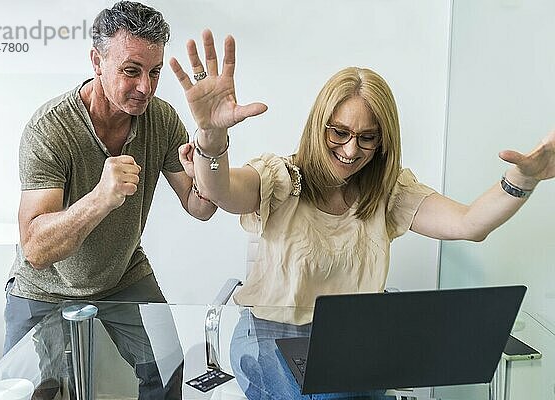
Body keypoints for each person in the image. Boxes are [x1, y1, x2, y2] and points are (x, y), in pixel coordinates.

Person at [170, 30, 555, 399]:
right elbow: (221, 191)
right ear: (318, 126)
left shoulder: (388, 193)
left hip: (350, 345)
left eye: (367, 138)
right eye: (338, 133)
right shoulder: (282, 178)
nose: (351, 151)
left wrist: (522, 178)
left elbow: (470, 224)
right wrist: (211, 137)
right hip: (270, 335)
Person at [4, 2, 216, 398]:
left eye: (153, 73)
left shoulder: (162, 119)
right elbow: (34, 248)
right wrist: (101, 197)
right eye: (131, 71)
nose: (146, 88)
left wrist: (212, 139)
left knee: (168, 366)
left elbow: (200, 205)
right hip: (45, 286)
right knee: (38, 389)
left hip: (121, 273)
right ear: (97, 61)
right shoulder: (50, 129)